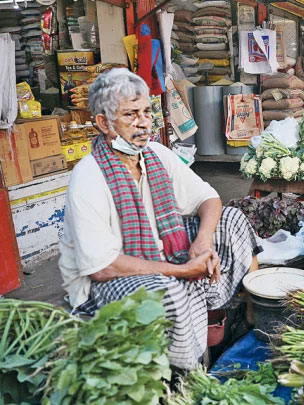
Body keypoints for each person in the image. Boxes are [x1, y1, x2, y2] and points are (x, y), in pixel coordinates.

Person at [58, 69, 262, 370]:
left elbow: (209, 199)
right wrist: (180, 271)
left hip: (161, 251)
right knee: (170, 292)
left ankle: (239, 317)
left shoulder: (155, 154)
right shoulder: (88, 176)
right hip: (107, 277)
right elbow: (103, 267)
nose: (142, 122)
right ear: (103, 123)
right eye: (130, 114)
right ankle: (186, 372)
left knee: (231, 221)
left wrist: (201, 244)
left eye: (145, 112)